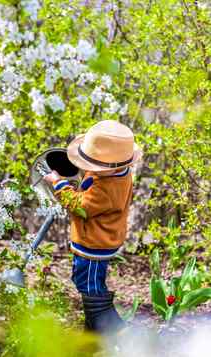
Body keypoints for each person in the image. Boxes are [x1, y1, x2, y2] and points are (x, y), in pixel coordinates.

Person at [43, 120, 142, 335]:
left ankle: (116, 331)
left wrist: (58, 183)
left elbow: (80, 207)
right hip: (97, 239)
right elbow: (90, 184)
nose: (88, 169)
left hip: (95, 244)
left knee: (90, 287)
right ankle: (92, 331)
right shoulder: (116, 173)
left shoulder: (107, 188)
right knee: (85, 282)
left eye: (93, 165)